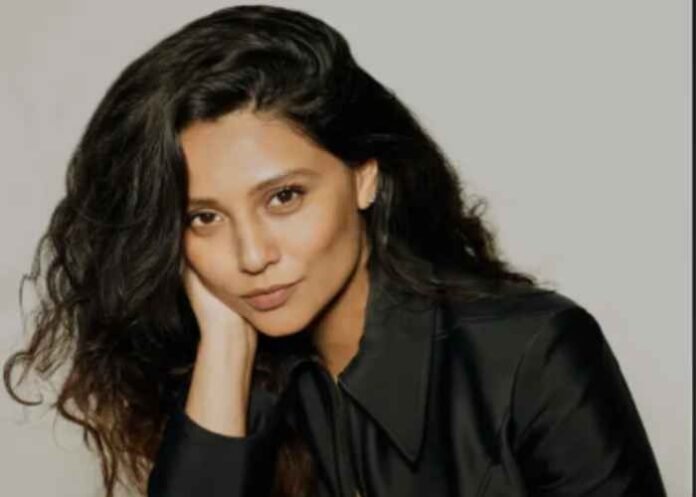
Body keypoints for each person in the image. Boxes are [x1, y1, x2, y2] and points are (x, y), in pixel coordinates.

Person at [3, 5, 666, 497]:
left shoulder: (531, 354)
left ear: (364, 175)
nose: (251, 254)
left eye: (283, 197)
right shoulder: (235, 392)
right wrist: (226, 346)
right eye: (204, 217)